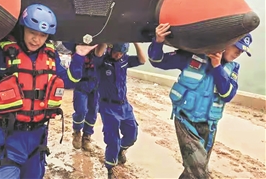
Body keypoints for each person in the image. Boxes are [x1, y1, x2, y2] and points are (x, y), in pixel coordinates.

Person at [0, 3, 97, 179]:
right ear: (23, 28)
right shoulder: (4, 52)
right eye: (32, 32)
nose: (36, 39)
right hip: (7, 138)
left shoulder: (50, 56)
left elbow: (69, 81)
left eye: (42, 35)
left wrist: (79, 55)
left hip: (37, 139)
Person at [147, 23, 253, 179]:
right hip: (186, 120)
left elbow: (228, 94)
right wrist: (158, 41)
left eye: (242, 50)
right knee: (199, 172)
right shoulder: (192, 55)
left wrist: (217, 66)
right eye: (236, 47)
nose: (239, 52)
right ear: (225, 41)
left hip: (209, 126)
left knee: (193, 172)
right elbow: (158, 61)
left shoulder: (233, 68)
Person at [93, 42, 146, 179]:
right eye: (116, 52)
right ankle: (111, 169)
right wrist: (105, 38)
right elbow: (98, 53)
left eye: (121, 53)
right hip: (108, 107)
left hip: (124, 106)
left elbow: (142, 60)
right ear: (110, 49)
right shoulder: (102, 61)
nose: (118, 55)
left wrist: (136, 42)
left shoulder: (125, 60)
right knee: (112, 141)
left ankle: (122, 149)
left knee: (132, 135)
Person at [61, 42, 99, 152]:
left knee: (93, 112)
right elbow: (66, 42)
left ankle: (87, 137)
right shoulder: (76, 43)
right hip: (81, 82)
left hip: (96, 82)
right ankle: (77, 132)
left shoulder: (101, 42)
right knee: (81, 110)